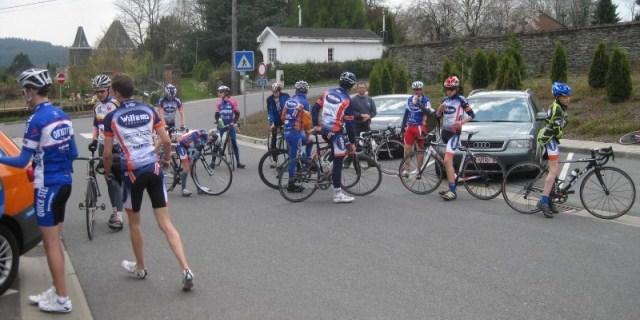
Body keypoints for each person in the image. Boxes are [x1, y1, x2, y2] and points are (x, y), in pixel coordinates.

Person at [102, 74, 194, 291]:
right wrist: (164, 159)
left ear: (116, 93)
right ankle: (185, 269)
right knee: (166, 224)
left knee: (134, 223)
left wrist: (107, 173)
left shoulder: (112, 117)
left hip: (132, 174)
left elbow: (107, 154)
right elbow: (165, 140)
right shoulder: (149, 110)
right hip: (153, 169)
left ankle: (140, 267)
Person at [0, 68, 78, 313]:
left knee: (51, 243)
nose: (25, 95)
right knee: (55, 240)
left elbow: (22, 160)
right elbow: (73, 152)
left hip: (47, 186)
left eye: (25, 90)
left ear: (32, 91)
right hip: (65, 183)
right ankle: (57, 289)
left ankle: (62, 299)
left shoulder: (36, 119)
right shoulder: (62, 114)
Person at [311, 71, 359, 203]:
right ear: (350, 85)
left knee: (335, 150)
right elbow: (349, 124)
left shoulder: (327, 92)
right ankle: (338, 194)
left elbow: (314, 109)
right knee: (339, 159)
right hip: (335, 132)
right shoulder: (347, 100)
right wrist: (353, 142)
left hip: (323, 129)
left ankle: (326, 165)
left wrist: (315, 124)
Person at [87, 74, 124, 231]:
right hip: (103, 146)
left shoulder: (116, 105)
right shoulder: (97, 107)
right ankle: (117, 213)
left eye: (101, 91)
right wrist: (94, 141)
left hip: (117, 146)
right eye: (97, 92)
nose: (99, 94)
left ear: (109, 90)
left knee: (119, 180)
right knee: (110, 179)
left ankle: (119, 210)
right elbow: (96, 125)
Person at [436, 76, 475, 201]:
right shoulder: (444, 100)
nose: (449, 91)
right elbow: (438, 116)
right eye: (447, 89)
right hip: (445, 133)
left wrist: (461, 123)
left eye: (451, 89)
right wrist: (439, 110)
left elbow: (472, 115)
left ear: (456, 89)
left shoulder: (461, 99)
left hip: (454, 133)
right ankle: (451, 184)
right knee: (447, 162)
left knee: (447, 161)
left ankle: (452, 192)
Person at [536, 82, 572, 218]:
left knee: (554, 171)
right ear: (558, 97)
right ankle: (543, 201)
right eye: (564, 96)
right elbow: (557, 129)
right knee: (553, 172)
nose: (568, 98)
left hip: (552, 140)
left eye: (569, 96)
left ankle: (549, 199)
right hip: (549, 141)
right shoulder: (557, 108)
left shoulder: (560, 107)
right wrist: (560, 134)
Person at [401, 80, 436, 177]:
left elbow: (428, 113)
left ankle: (419, 170)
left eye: (419, 89)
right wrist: (402, 126)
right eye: (415, 90)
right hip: (410, 127)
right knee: (407, 149)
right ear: (413, 90)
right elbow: (406, 113)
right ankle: (406, 169)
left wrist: (418, 103)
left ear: (422, 90)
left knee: (419, 149)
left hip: (420, 126)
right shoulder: (409, 99)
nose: (417, 91)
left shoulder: (426, 100)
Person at [281, 80, 312, 192]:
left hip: (287, 132)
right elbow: (307, 122)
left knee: (294, 156)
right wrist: (308, 133)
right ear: (306, 91)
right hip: (295, 134)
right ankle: (291, 184)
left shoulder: (289, 100)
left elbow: (282, 117)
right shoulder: (305, 103)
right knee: (294, 159)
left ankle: (305, 161)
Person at [215, 85, 245, 169]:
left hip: (230, 124)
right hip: (222, 124)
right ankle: (213, 162)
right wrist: (218, 122)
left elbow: (237, 114)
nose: (219, 94)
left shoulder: (232, 101)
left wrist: (234, 122)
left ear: (226, 93)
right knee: (218, 141)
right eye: (219, 92)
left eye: (220, 92)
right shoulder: (219, 102)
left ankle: (238, 162)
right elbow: (216, 115)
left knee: (234, 142)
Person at [175, 129, 209, 197]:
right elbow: (194, 150)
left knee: (193, 168)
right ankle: (183, 190)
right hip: (181, 146)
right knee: (187, 168)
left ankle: (199, 188)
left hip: (187, 146)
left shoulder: (202, 134)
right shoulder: (197, 137)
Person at [267, 82, 290, 160]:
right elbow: (270, 112)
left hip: (285, 119)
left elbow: (289, 107)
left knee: (288, 138)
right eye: (273, 92)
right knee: (274, 138)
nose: (275, 94)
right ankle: (274, 158)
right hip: (276, 120)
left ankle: (290, 155)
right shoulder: (269, 99)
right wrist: (272, 123)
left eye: (276, 92)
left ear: (280, 91)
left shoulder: (286, 96)